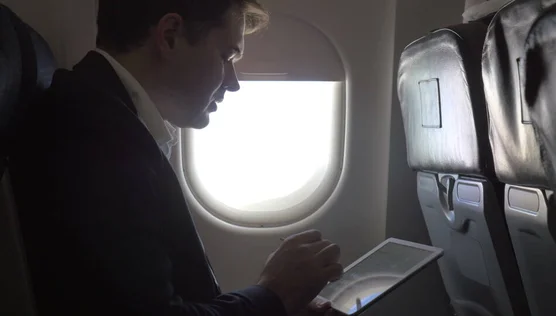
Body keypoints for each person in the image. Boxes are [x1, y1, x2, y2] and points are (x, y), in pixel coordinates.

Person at [8, 0, 343, 315]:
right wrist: (273, 294)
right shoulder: (93, 136)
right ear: (169, 36)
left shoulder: (115, 122)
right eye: (227, 57)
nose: (234, 83)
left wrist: (275, 307)